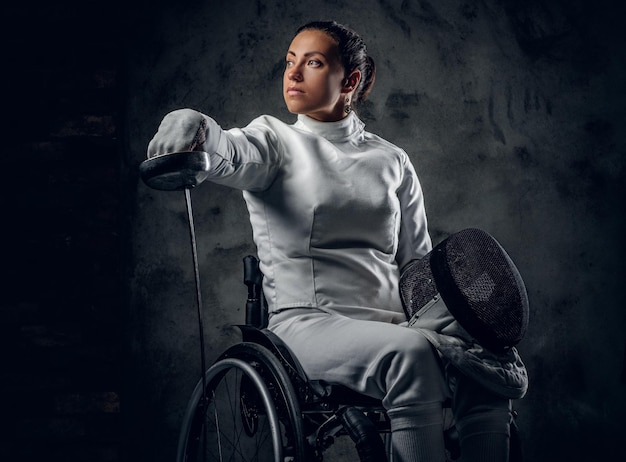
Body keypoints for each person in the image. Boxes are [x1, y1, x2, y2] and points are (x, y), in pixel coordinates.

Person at [147, 20, 526, 461]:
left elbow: (416, 267)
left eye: (312, 63)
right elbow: (229, 152)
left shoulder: (392, 160)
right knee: (410, 356)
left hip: (396, 327)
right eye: (290, 62)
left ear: (351, 81)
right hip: (307, 326)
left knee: (484, 369)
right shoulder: (275, 141)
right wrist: (195, 127)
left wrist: (462, 327)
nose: (292, 74)